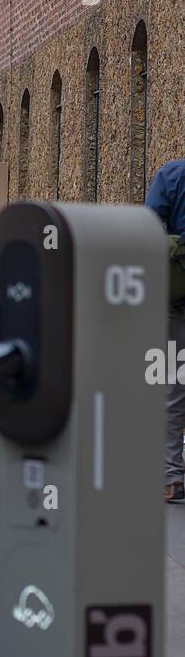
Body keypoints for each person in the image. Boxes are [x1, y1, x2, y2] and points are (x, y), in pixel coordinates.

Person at [146, 157, 185, 502]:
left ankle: (172, 478)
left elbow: (147, 230)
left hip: (175, 301)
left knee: (172, 386)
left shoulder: (172, 175)